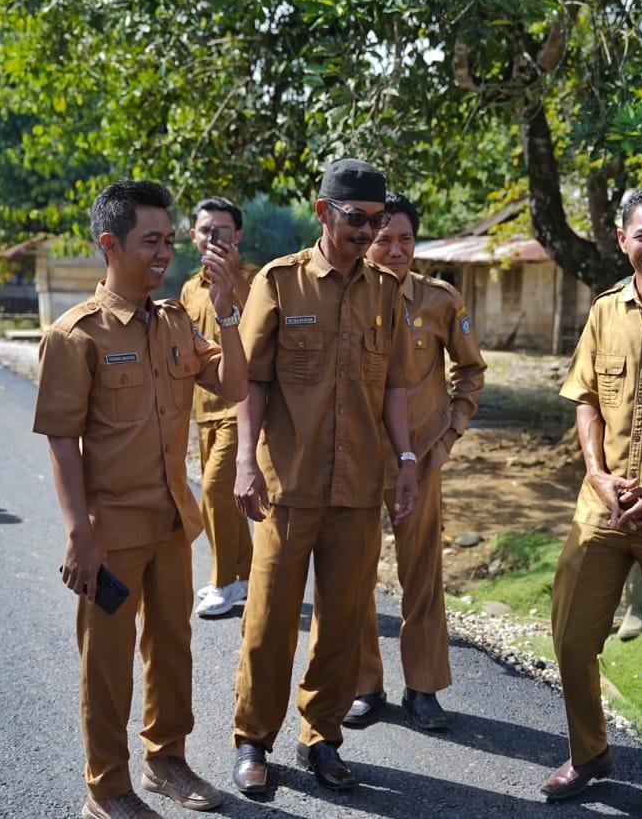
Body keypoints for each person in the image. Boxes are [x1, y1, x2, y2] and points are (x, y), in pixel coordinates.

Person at [34, 180, 247, 819]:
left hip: (171, 523)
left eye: (168, 240)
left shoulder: (175, 321)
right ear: (110, 243)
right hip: (109, 533)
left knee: (173, 647)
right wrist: (79, 534)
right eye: (150, 241)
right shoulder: (76, 336)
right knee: (107, 663)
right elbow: (62, 442)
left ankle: (166, 760)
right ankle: (107, 788)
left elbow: (234, 383)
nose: (165, 253)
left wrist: (230, 307)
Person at [229, 159, 420, 794]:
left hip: (360, 488)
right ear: (322, 212)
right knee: (269, 621)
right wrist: (242, 461)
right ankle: (254, 740)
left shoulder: (387, 291)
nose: (369, 232)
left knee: (342, 623)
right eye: (356, 220)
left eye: (378, 221)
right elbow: (251, 380)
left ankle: (323, 737)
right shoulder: (280, 282)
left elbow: (393, 384)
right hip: (289, 485)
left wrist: (406, 461)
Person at [541, 184, 642, 819]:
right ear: (623, 240)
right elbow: (584, 395)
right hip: (602, 504)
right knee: (572, 637)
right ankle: (590, 753)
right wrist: (596, 470)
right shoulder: (605, 309)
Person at [345, 192, 486, 730]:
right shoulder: (346, 299)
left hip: (420, 459)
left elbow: (470, 371)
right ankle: (365, 686)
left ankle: (423, 689)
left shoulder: (440, 299)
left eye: (405, 238)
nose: (395, 249)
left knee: (422, 574)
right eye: (384, 239)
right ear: (367, 239)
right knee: (353, 573)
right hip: (356, 460)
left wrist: (449, 434)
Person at [180, 197, 258, 617]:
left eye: (222, 230)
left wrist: (233, 282)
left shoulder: (256, 280)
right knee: (223, 497)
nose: (213, 237)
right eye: (206, 230)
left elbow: (264, 323)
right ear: (192, 235)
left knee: (211, 490)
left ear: (238, 236)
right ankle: (245, 575)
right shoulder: (189, 289)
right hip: (203, 409)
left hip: (242, 406)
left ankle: (222, 581)